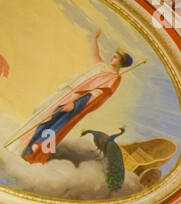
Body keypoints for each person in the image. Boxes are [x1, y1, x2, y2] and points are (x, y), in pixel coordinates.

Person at [8, 29, 136, 163]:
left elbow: (95, 96)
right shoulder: (102, 67)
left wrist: (74, 105)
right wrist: (94, 39)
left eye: (115, 57)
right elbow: (95, 54)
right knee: (40, 112)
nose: (112, 57)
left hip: (74, 100)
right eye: (113, 55)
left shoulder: (112, 79)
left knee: (52, 122)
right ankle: (18, 146)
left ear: (121, 63)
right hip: (67, 93)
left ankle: (31, 149)